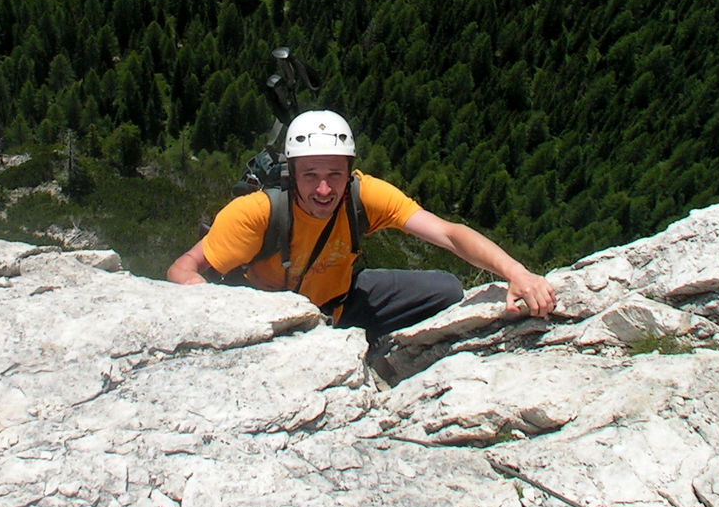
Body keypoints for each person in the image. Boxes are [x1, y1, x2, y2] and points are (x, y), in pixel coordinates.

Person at [167, 110, 556, 359]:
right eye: (311, 176)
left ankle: (364, 348)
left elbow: (450, 234)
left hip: (341, 303)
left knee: (448, 291)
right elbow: (184, 267)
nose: (324, 190)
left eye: (334, 175)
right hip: (276, 322)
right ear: (291, 174)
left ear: (349, 171)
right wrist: (224, 314)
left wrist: (516, 273)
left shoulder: (363, 195)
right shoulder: (258, 213)